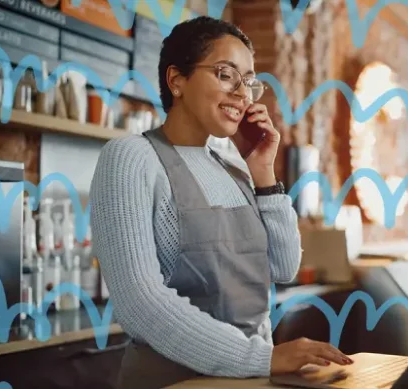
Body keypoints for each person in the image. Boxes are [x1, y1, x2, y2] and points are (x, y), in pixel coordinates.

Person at [89, 17, 351, 389]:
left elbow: (284, 266)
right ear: (176, 79)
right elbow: (140, 305)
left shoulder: (233, 167)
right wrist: (262, 357)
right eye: (226, 74)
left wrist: (263, 171)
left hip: (249, 378)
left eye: (248, 81)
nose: (243, 94)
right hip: (175, 381)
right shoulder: (131, 157)